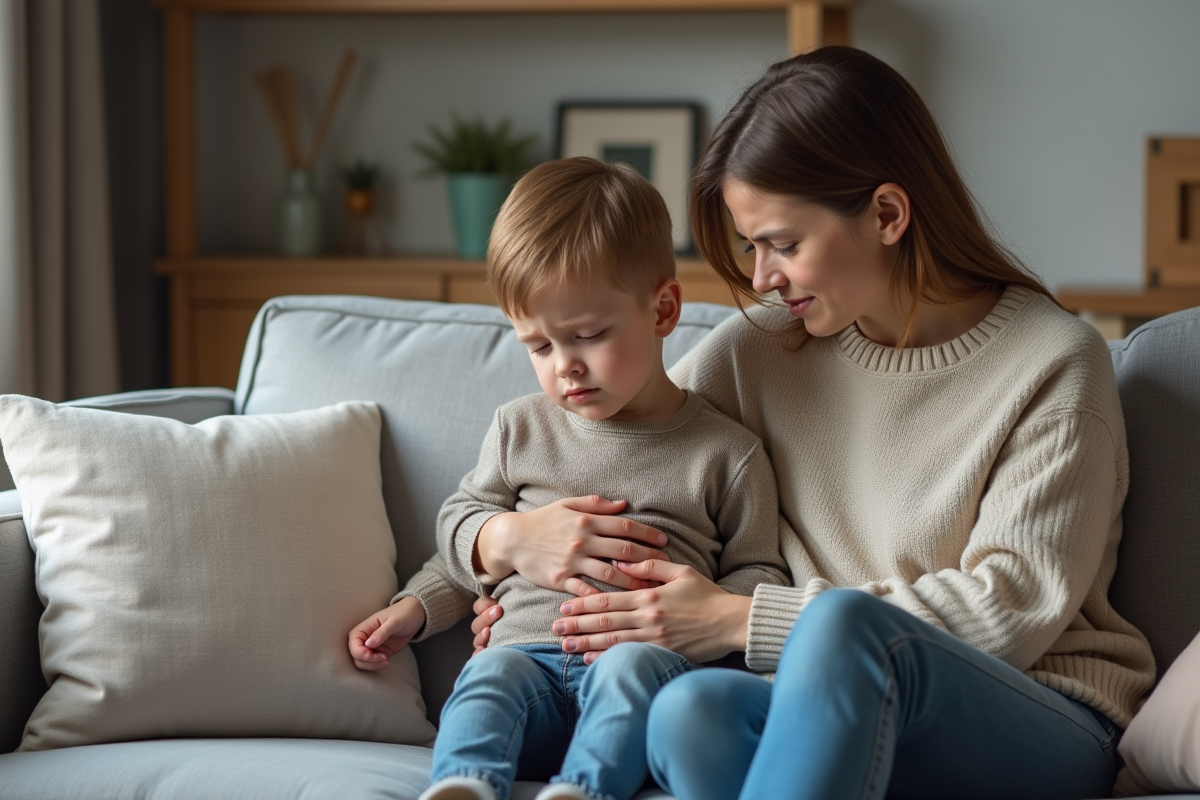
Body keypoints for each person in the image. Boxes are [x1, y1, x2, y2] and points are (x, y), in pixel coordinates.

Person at [465, 47, 1156, 800]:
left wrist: (737, 620)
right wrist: (513, 554)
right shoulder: (762, 347)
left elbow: (1011, 610)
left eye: (784, 245)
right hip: (823, 706)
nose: (762, 278)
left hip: (1036, 714)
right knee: (688, 710)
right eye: (751, 247)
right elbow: (614, 449)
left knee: (841, 625)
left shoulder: (1054, 362)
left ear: (888, 214)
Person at [347, 157, 790, 800]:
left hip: (640, 671)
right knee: (491, 673)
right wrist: (414, 610)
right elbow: (461, 541)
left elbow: (761, 574)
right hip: (524, 661)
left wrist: (701, 604)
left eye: (587, 335)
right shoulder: (519, 429)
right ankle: (463, 785)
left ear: (664, 309)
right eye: (539, 346)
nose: (566, 368)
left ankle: (584, 790)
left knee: (632, 668)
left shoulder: (727, 452)